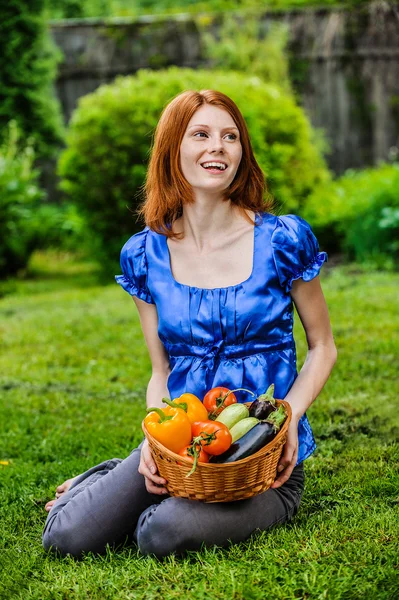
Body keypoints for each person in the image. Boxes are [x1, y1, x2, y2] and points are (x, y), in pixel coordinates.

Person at [43, 89, 337, 559]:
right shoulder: (145, 254)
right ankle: (106, 474)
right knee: (65, 538)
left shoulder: (283, 241)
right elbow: (160, 371)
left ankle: (237, 499)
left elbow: (323, 347)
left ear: (242, 153)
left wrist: (291, 417)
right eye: (200, 134)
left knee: (160, 534)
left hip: (260, 463)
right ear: (173, 149)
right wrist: (152, 441)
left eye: (230, 136)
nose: (217, 146)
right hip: (182, 450)